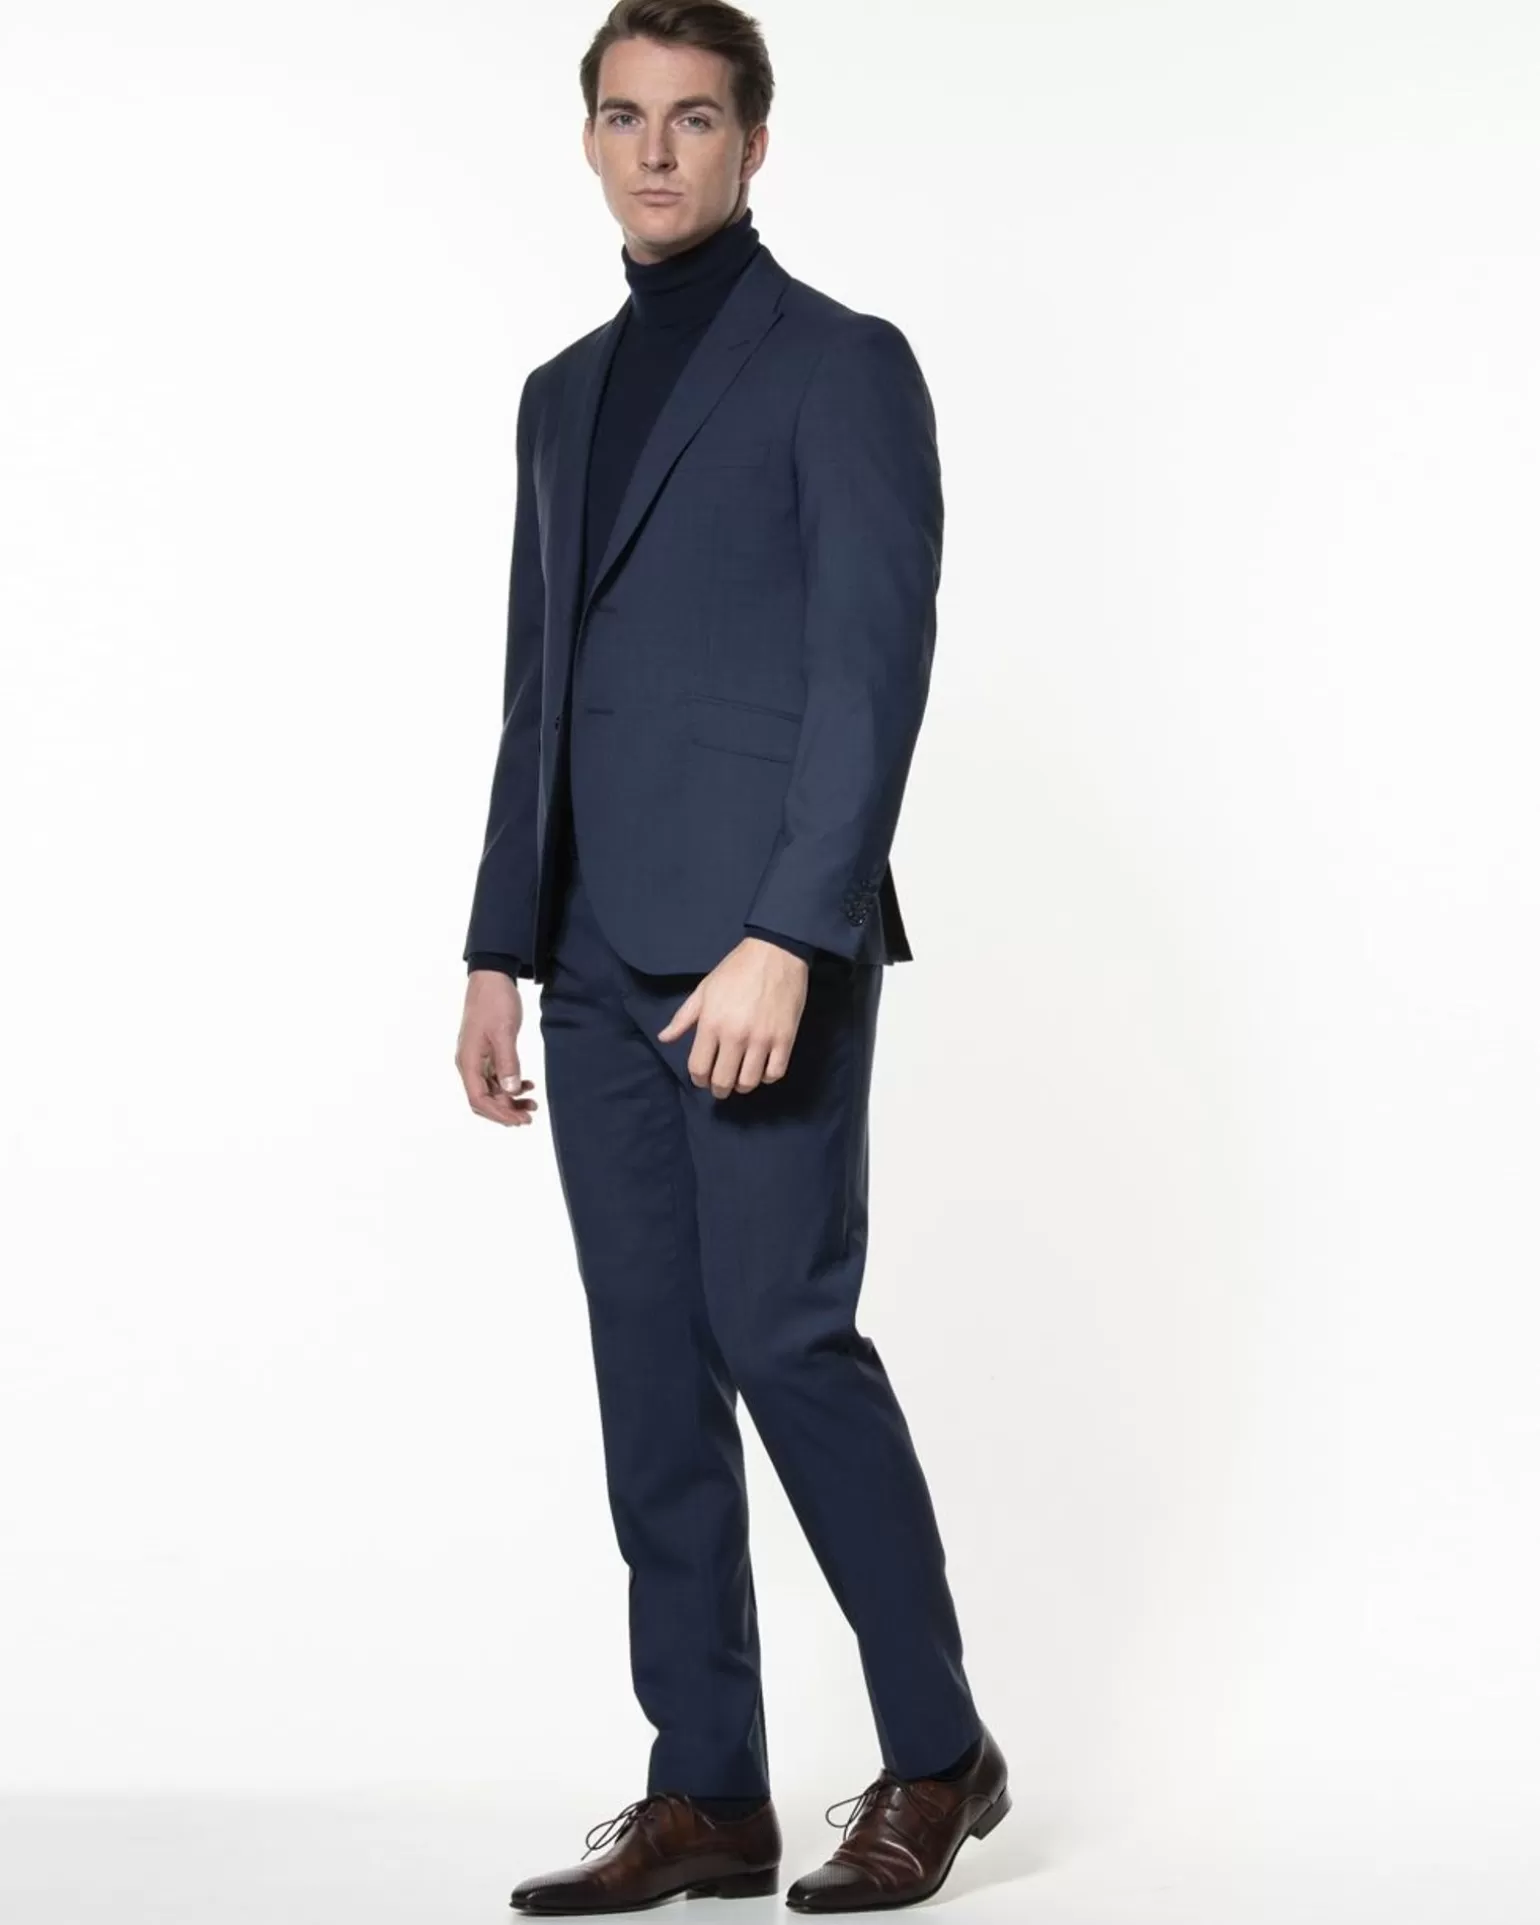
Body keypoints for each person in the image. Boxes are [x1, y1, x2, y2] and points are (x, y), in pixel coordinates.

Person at [454, 3, 1009, 1911]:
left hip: (761, 948)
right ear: (588, 140)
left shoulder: (842, 366)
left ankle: (938, 1751)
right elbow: (537, 690)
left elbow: (872, 671)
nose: (656, 151)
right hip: (591, 954)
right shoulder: (557, 397)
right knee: (648, 1370)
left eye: (694, 118)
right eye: (625, 116)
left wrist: (793, 930)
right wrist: (498, 946)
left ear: (755, 143)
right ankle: (708, 1788)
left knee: (784, 1339)